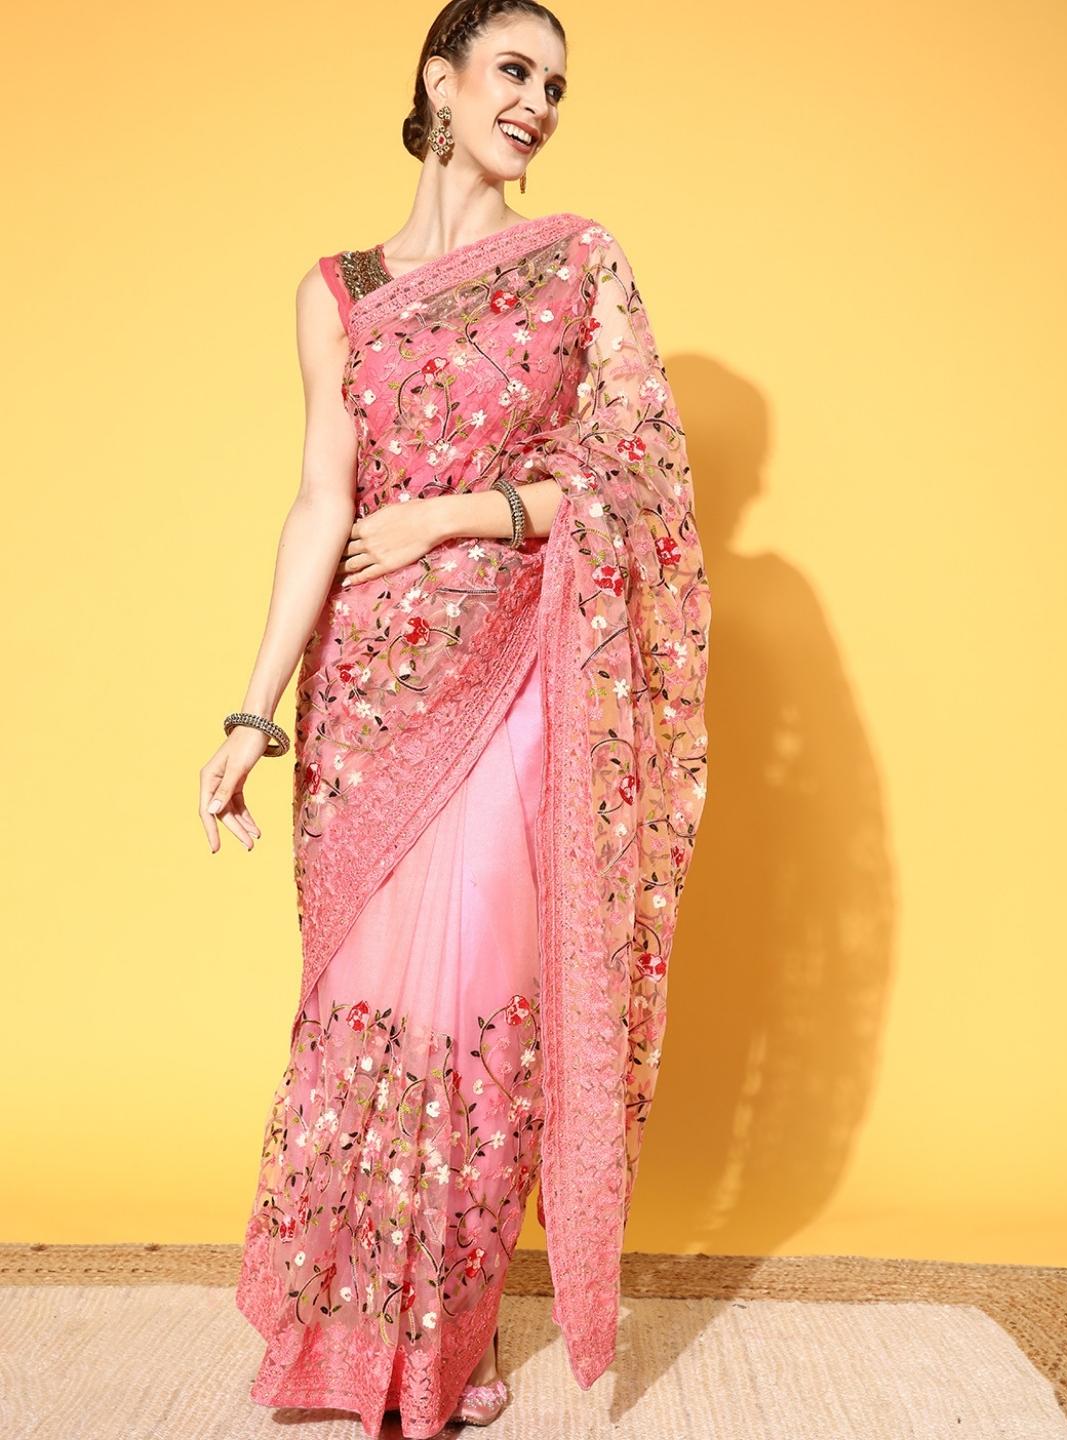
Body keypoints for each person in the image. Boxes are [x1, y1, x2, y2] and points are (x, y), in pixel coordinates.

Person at [198, 1, 711, 1434]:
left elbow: (642, 482)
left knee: (476, 995)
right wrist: (251, 712)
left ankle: (438, 1345)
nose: (538, 101)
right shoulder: (338, 289)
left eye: (556, 84)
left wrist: (454, 516)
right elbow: (319, 501)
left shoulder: (578, 263)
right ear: (440, 80)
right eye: (513, 71)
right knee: (361, 1008)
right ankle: (343, 1337)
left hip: (509, 678)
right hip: (363, 697)